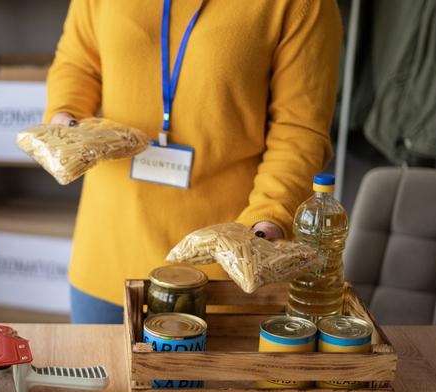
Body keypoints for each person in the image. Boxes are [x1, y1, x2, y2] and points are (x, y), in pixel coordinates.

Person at [45, 0, 342, 323]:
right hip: (107, 253)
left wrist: (268, 220)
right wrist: (65, 117)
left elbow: (298, 131)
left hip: (227, 269)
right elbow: (78, 63)